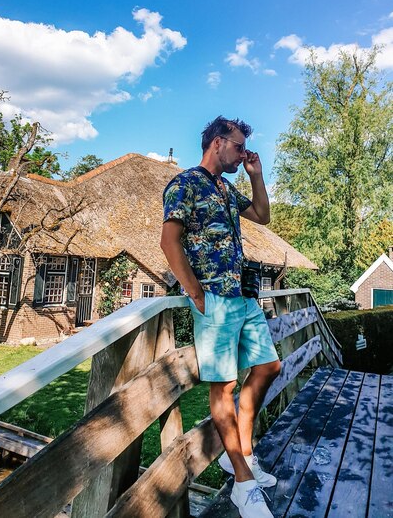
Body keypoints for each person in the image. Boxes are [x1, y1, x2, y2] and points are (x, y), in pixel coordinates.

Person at [161, 116, 281, 518]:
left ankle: (239, 454)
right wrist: (195, 291)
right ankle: (243, 483)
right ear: (216, 142)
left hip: (244, 296)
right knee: (224, 386)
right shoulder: (184, 184)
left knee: (269, 367)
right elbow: (169, 240)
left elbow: (263, 215)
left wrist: (256, 174)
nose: (241, 153)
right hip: (214, 298)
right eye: (237, 146)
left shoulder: (227, 188)